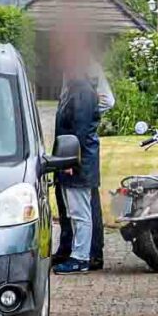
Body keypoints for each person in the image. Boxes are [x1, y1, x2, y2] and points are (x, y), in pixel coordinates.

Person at [53, 43, 114, 273]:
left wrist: (70, 159)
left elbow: (78, 130)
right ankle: (78, 254)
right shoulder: (77, 89)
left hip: (79, 161)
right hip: (79, 159)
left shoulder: (80, 92)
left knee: (80, 212)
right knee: (76, 210)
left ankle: (81, 257)